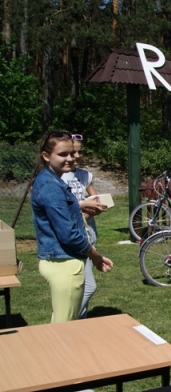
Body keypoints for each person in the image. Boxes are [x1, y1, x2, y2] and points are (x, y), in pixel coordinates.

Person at [32, 130, 113, 323]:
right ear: (46, 156)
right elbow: (69, 234)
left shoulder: (52, 181)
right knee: (64, 329)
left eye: (71, 153)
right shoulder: (51, 186)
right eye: (62, 154)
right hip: (64, 264)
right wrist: (95, 256)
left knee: (62, 325)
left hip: (62, 261)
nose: (70, 158)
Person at [60, 134, 108, 319]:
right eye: (73, 151)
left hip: (89, 233)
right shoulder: (58, 178)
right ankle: (70, 321)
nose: (77, 155)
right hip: (73, 236)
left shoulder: (85, 175)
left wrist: (91, 210)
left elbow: (98, 202)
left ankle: (79, 323)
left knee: (81, 286)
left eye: (80, 151)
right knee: (86, 286)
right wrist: (81, 214)